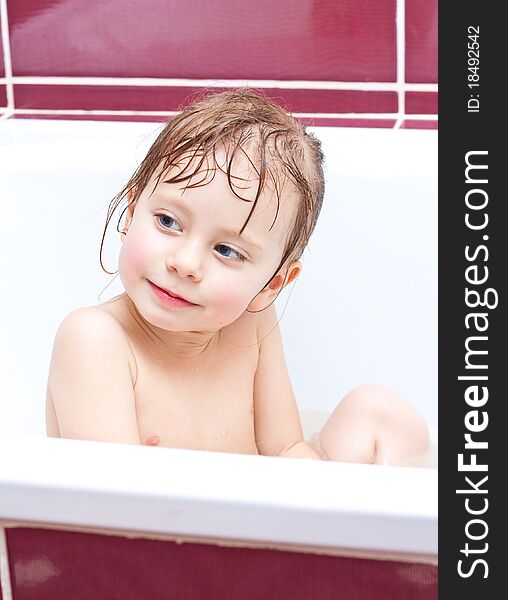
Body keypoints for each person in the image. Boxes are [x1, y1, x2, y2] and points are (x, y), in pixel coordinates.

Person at [45, 88, 429, 466]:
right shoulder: (96, 340)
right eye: (168, 221)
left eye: (227, 250)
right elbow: (116, 503)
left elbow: (284, 449)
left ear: (271, 285)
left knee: (381, 412)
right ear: (131, 214)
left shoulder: (251, 320)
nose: (186, 263)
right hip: (166, 523)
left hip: (257, 514)